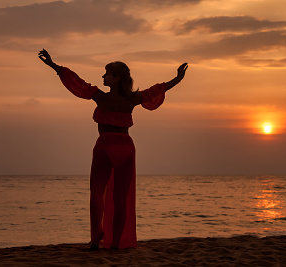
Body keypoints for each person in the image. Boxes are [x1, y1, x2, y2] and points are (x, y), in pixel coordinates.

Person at [38, 49, 188, 250]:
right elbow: (159, 89)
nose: (103, 76)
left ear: (117, 79)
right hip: (126, 146)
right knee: (120, 198)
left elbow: (77, 82)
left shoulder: (101, 97)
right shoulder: (133, 99)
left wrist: (53, 65)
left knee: (97, 192)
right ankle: (116, 242)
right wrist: (178, 78)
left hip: (106, 143)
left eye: (107, 73)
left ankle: (96, 236)